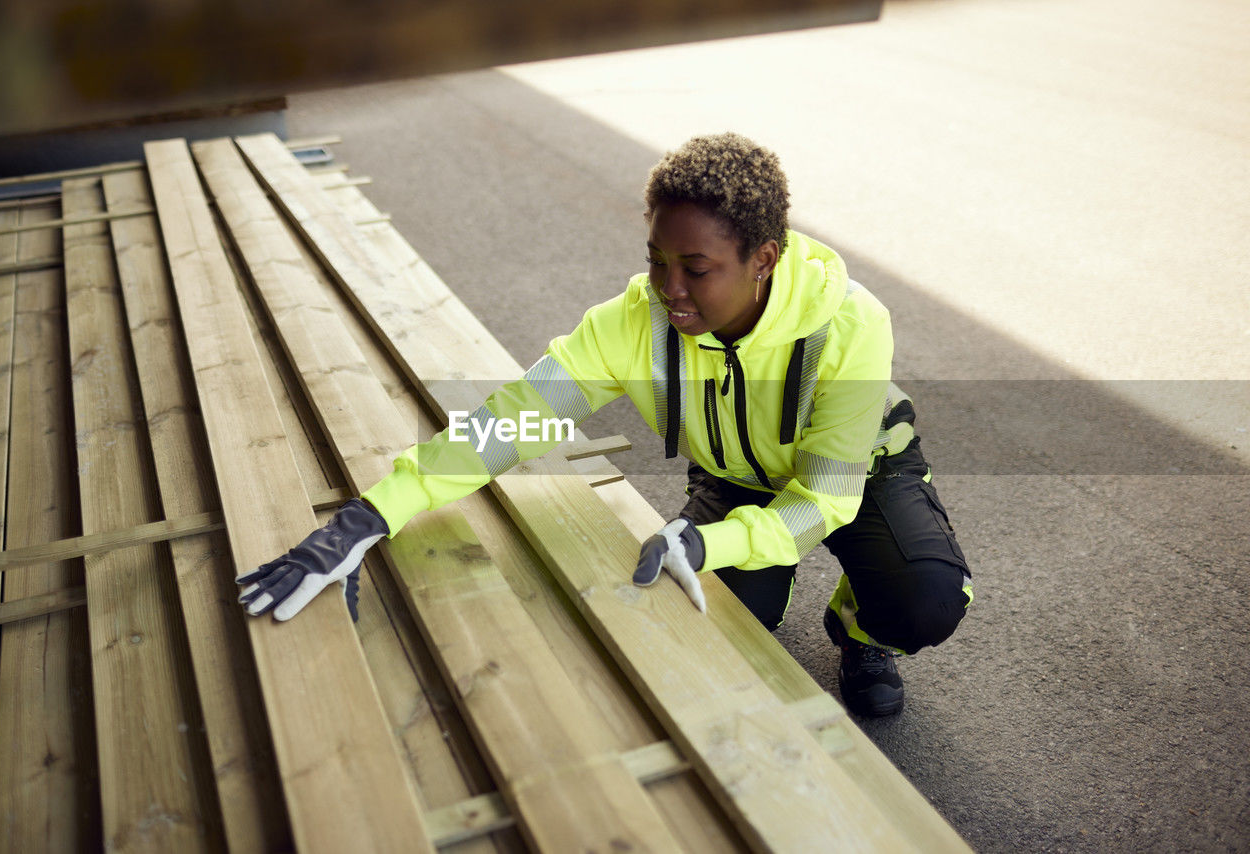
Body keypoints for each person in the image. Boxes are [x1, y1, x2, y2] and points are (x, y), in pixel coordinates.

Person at [236, 133, 974, 717]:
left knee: (923, 600)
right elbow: (513, 420)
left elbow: (822, 503)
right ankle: (763, 579)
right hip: (736, 480)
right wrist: (373, 513)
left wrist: (709, 541)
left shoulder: (849, 326)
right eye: (656, 260)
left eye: (695, 268)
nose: (669, 291)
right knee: (718, 626)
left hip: (855, 476)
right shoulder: (637, 322)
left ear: (764, 259)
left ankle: (859, 630)